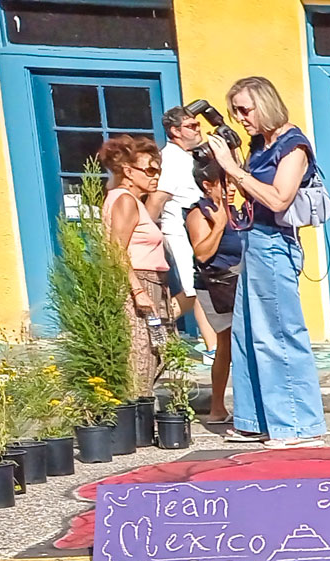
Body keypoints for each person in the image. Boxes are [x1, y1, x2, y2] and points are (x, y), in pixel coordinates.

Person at [204, 76, 327, 450]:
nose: (241, 118)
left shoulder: (293, 145)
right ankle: (257, 419)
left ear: (265, 103)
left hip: (275, 243)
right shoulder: (261, 145)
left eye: (245, 109)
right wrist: (232, 167)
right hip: (253, 241)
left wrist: (232, 166)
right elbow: (251, 193)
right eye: (235, 112)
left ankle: (297, 425)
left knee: (279, 334)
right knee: (246, 334)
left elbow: (278, 199)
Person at [96, 134, 170, 398]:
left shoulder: (132, 200)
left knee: (155, 351)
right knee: (141, 353)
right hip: (140, 282)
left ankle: (141, 411)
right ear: (128, 171)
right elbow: (116, 250)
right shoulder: (125, 200)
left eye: (158, 169)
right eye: (149, 169)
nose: (155, 175)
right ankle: (138, 415)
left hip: (151, 282)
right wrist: (138, 291)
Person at [145, 105, 219, 354]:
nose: (198, 130)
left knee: (200, 287)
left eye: (197, 124)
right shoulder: (172, 160)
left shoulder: (191, 156)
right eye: (191, 126)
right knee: (195, 288)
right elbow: (157, 198)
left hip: (197, 227)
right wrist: (146, 232)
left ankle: (157, 330)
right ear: (174, 131)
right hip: (178, 229)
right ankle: (211, 347)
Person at [184, 163, 243, 422]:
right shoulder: (200, 213)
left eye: (232, 182)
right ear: (208, 186)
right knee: (227, 343)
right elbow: (202, 253)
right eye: (225, 183)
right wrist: (218, 226)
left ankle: (243, 405)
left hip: (241, 279)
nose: (231, 189)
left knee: (242, 343)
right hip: (218, 285)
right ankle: (217, 406)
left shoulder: (236, 211)